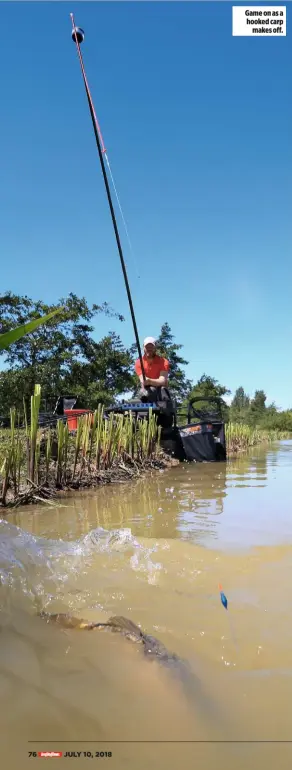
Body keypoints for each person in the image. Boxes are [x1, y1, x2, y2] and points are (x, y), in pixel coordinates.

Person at [134, 337, 170, 403]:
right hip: (146, 391)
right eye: (147, 347)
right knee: (143, 393)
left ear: (155, 347)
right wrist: (148, 382)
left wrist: (150, 381)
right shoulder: (138, 363)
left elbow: (162, 381)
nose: (149, 349)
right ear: (143, 348)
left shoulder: (164, 362)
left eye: (151, 346)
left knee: (162, 391)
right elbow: (142, 380)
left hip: (161, 392)